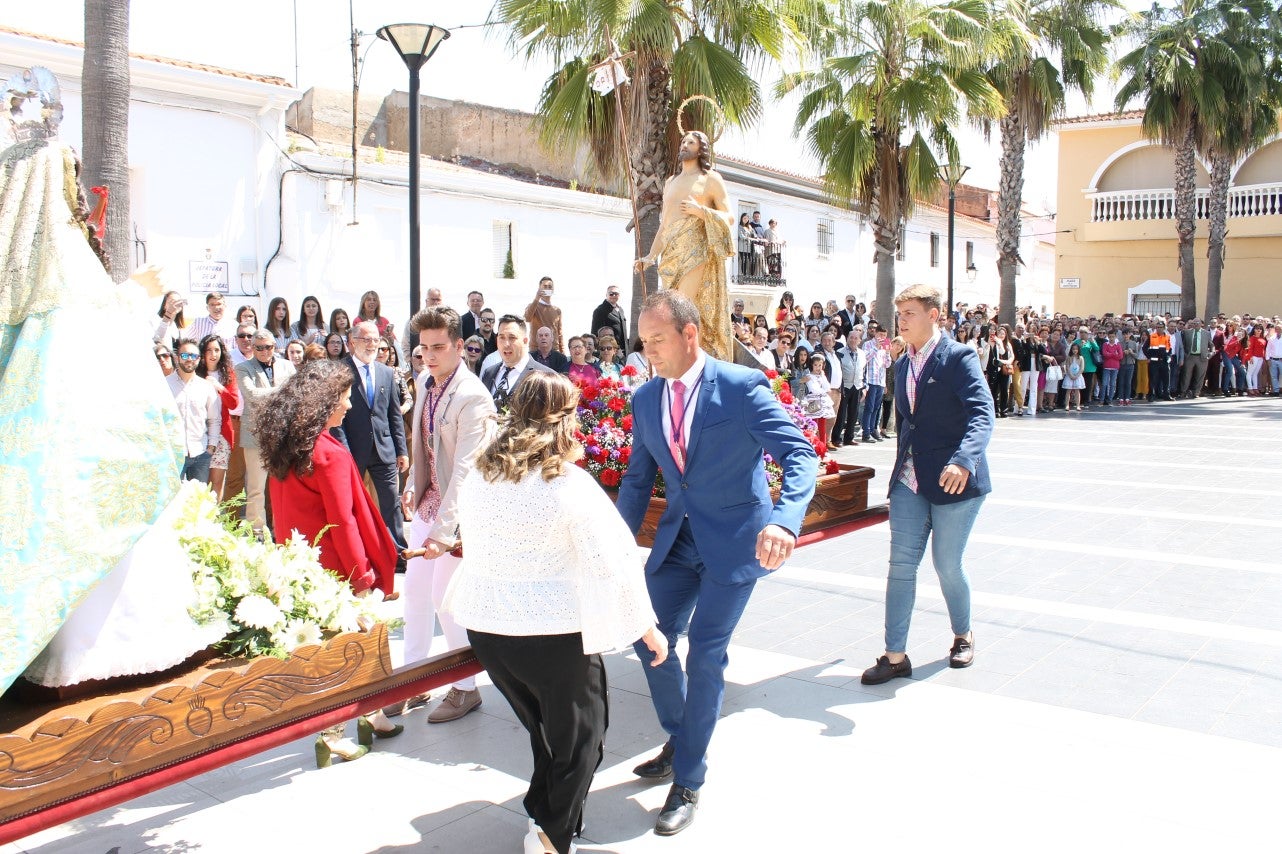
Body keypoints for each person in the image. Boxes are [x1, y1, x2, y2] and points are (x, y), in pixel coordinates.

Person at [616, 290, 818, 837]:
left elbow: (799, 454)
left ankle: (688, 779)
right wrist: (613, 546)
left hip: (735, 543)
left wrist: (785, 522)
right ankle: (683, 738)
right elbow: (637, 480)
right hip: (678, 541)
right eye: (644, 341)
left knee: (705, 655)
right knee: (648, 637)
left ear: (690, 334)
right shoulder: (645, 399)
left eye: (658, 340)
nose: (648, 351)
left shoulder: (741, 386)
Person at [446, 371, 665, 854]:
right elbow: (612, 560)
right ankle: (548, 836)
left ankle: (545, 815)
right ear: (564, 420)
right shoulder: (567, 482)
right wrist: (645, 627)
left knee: (546, 732)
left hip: (488, 628)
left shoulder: (480, 474)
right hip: (549, 634)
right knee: (582, 738)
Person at [254, 359, 403, 766]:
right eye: (344, 398)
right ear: (323, 402)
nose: (350, 406)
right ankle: (333, 733)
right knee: (344, 653)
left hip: (301, 565)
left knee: (338, 648)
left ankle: (372, 715)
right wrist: (362, 575)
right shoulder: (328, 454)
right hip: (338, 570)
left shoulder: (288, 447)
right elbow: (344, 521)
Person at [861, 284, 992, 686]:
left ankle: (963, 634)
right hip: (909, 478)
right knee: (901, 565)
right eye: (899, 313)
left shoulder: (959, 357)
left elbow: (982, 413)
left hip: (954, 479)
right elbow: (907, 423)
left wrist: (964, 460)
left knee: (947, 564)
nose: (901, 320)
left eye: (910, 313)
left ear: (933, 315)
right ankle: (894, 656)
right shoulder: (902, 363)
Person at [398, 307, 498, 722]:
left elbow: (467, 471)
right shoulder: (425, 382)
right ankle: (413, 680)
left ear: (459, 346)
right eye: (424, 348)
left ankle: (466, 687)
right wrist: (411, 485)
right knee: (415, 593)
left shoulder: (473, 396)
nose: (429, 355)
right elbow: (422, 446)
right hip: (429, 503)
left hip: (462, 515)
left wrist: (444, 531)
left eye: (438, 347)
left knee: (447, 600)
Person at [634, 131, 736, 361]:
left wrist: (702, 212)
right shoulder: (671, 182)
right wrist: (650, 256)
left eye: (691, 142)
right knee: (671, 307)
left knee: (683, 306)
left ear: (701, 149)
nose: (684, 145)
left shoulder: (711, 179)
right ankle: (677, 358)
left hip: (696, 251)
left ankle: (687, 357)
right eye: (683, 141)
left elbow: (729, 216)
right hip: (672, 253)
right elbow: (665, 224)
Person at [335, 321, 409, 561]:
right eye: (366, 340)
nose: (372, 345)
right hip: (353, 450)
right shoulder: (340, 371)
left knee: (391, 503)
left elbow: (393, 414)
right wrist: (344, 452)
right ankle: (356, 554)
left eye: (375, 340)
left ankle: (397, 554)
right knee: (351, 504)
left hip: (384, 449)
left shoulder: (386, 373)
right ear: (352, 342)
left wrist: (402, 450)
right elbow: (336, 419)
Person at [234, 329, 297, 533]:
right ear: (252, 348)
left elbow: (295, 395)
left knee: (283, 487)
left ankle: (282, 530)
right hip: (255, 435)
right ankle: (257, 531)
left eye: (268, 347)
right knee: (256, 488)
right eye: (259, 347)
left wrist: (284, 392)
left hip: (282, 435)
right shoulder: (243, 367)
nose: (264, 351)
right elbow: (252, 395)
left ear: (274, 346)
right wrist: (282, 390)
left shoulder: (287, 366)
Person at [167, 339, 221, 484]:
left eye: (193, 356)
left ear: (199, 359)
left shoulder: (206, 387)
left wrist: (211, 446)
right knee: (174, 496)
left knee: (199, 496)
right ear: (177, 358)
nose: (189, 359)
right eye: (185, 355)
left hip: (200, 453)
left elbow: (214, 419)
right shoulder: (165, 385)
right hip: (173, 454)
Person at [196, 333, 240, 499]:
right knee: (199, 481)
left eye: (216, 350)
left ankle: (214, 513)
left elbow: (234, 403)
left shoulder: (227, 374)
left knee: (217, 481)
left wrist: (219, 387)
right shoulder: (195, 373)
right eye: (209, 350)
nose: (213, 354)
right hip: (199, 432)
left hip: (222, 433)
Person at [481, 314, 556, 406]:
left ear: (525, 341)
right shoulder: (489, 373)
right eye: (502, 337)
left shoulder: (547, 377)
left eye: (512, 337)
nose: (506, 344)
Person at [833, 327, 866, 446]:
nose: (853, 340)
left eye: (856, 338)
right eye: (851, 337)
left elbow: (864, 370)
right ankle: (836, 438)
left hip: (857, 386)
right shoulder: (840, 352)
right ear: (847, 338)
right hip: (844, 386)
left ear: (859, 340)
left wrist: (864, 387)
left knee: (853, 413)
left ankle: (849, 437)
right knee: (841, 414)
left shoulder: (862, 353)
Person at [525, 276, 565, 352]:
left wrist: (562, 351)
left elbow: (559, 333)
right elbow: (527, 318)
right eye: (545, 287)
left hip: (554, 350)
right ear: (539, 288)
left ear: (553, 290)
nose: (547, 289)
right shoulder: (533, 306)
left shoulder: (557, 310)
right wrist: (537, 298)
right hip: (537, 350)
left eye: (550, 287)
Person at [803, 353, 837, 440]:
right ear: (812, 365)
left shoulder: (822, 376)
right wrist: (824, 391)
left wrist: (823, 376)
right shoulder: (809, 376)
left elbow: (828, 388)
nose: (818, 367)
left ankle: (822, 444)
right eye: (815, 365)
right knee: (813, 424)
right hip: (813, 401)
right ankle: (813, 443)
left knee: (822, 424)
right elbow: (814, 389)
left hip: (822, 402)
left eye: (820, 365)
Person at [1178, 318, 1210, 398]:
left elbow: (1211, 345)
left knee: (1200, 376)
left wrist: (1211, 354)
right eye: (1194, 323)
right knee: (1186, 375)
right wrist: (1184, 355)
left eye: (1197, 323)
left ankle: (1196, 392)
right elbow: (1182, 345)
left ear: (1201, 324)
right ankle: (1183, 392)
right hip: (1190, 357)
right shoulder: (1186, 332)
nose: (1196, 324)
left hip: (1202, 357)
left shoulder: (1206, 333)